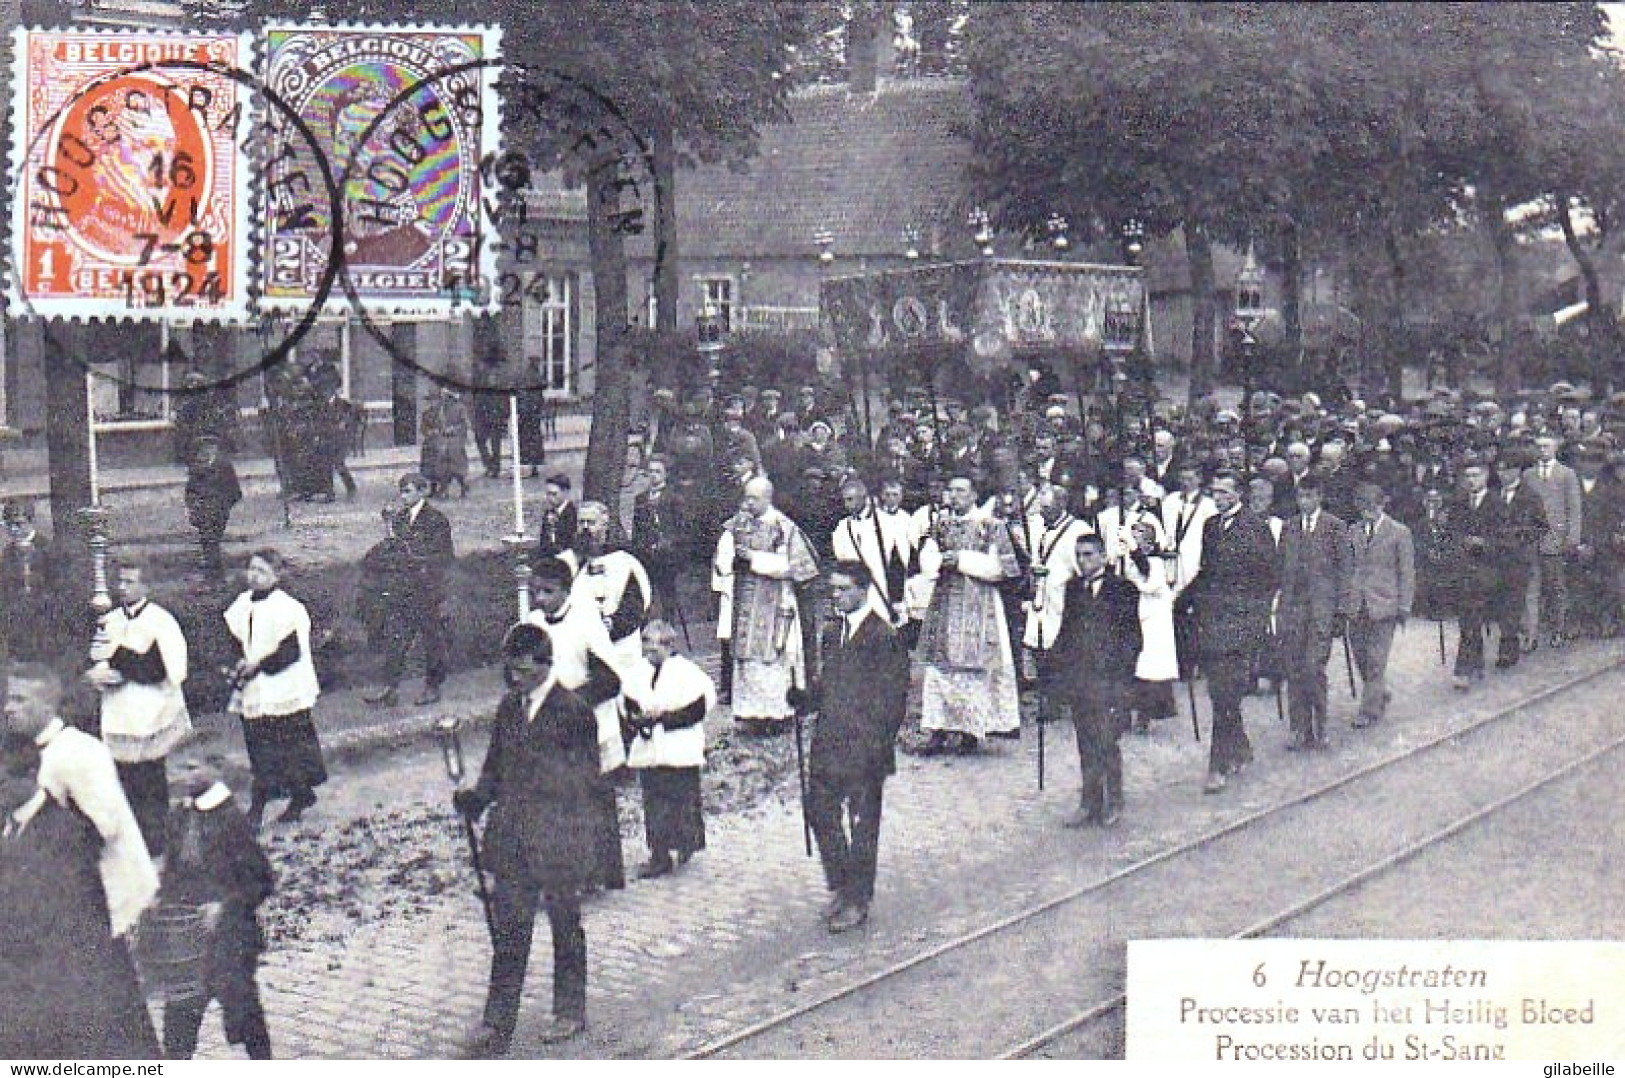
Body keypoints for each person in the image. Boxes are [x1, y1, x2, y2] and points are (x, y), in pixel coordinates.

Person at [455, 624, 599, 1055]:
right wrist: (476, 800)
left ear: (544, 664)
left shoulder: (573, 710)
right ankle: (497, 1022)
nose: (512, 675)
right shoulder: (508, 708)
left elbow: (587, 781)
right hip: (513, 838)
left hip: (557, 840)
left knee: (565, 925)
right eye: (509, 668)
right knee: (510, 930)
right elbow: (495, 765)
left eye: (520, 668)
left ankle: (569, 1010)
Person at [0, 728, 161, 1060]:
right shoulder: (11, 824)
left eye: (1, 784)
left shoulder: (64, 834)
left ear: (32, 775)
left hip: (61, 983)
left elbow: (70, 925)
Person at [790, 561, 909, 932]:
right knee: (820, 810)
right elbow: (829, 687)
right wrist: (804, 699)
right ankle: (841, 884)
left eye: (842, 589)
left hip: (864, 748)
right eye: (832, 589)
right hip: (828, 742)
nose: (835, 595)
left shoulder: (882, 636)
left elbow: (893, 701)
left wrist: (877, 745)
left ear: (863, 589)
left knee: (862, 824)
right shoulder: (833, 633)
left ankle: (859, 898)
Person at [7, 662, 157, 940]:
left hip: (108, 888)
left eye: (19, 699)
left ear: (46, 705)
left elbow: (104, 827)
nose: (8, 709)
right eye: (7, 699)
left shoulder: (79, 751)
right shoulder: (26, 751)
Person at [523, 556, 630, 892]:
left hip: (586, 722)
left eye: (547, 591)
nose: (539, 599)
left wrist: (569, 705)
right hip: (550, 726)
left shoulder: (586, 620)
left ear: (566, 591)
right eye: (534, 591)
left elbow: (610, 679)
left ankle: (603, 872)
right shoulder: (533, 623)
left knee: (593, 799)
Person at [157, 758, 275, 1060]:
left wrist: (225, 905)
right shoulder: (179, 816)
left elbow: (261, 880)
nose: (185, 775)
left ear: (215, 770)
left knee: (241, 1007)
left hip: (230, 933)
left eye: (193, 766)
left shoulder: (231, 819)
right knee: (180, 1014)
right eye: (180, 768)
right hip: (187, 935)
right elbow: (173, 868)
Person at [86, 561, 191, 857]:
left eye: (130, 582)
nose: (123, 588)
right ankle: (129, 837)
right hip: (119, 708)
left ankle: (156, 838)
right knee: (123, 776)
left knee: (150, 776)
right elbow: (98, 656)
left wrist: (119, 659)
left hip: (150, 707)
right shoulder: (111, 618)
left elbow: (160, 669)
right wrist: (97, 672)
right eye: (120, 581)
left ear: (146, 586)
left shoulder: (161, 621)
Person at [916, 474, 1022, 753]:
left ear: (975, 494)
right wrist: (938, 561)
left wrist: (961, 560)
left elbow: (1002, 568)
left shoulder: (991, 525)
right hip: (946, 598)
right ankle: (937, 729)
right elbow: (926, 556)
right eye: (950, 490)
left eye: (961, 490)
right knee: (939, 667)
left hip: (979, 599)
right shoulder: (940, 524)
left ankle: (970, 731)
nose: (954, 495)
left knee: (974, 667)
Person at [1187, 473, 1278, 792]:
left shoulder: (1255, 527)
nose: (1219, 496)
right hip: (1212, 620)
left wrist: (1256, 622)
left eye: (1225, 491)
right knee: (1220, 692)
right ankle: (1239, 746)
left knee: (1225, 692)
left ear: (1239, 494)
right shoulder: (1211, 526)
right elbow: (1205, 571)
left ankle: (1218, 764)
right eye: (1215, 491)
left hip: (1240, 624)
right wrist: (1184, 600)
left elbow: (1269, 579)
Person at [225, 550, 327, 828]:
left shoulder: (288, 608)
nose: (254, 576)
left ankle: (267, 802)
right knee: (259, 745)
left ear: (276, 576)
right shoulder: (241, 603)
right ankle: (292, 795)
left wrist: (258, 665)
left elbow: (290, 652)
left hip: (283, 685)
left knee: (288, 745)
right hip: (255, 685)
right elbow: (235, 638)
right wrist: (237, 663)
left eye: (262, 571)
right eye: (251, 569)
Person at [712, 477, 820, 736]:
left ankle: (776, 714)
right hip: (745, 598)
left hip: (775, 598)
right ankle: (750, 714)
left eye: (754, 498)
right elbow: (723, 557)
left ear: (767, 498)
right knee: (746, 657)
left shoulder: (784, 527)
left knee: (774, 657)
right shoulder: (736, 524)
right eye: (746, 497)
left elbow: (795, 567)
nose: (748, 503)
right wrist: (727, 558)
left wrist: (754, 558)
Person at [1049, 534, 1141, 828]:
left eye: (1089, 554)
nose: (1083, 561)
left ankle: (1114, 800)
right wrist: (1057, 669)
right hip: (1081, 678)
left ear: (1103, 556)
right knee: (1085, 741)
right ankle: (1090, 802)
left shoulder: (1122, 589)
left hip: (1109, 679)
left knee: (1107, 740)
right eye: (1079, 555)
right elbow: (1066, 631)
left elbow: (1132, 638)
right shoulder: (1074, 588)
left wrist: (1122, 677)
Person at [622, 620, 713, 879]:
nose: (647, 655)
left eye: (653, 650)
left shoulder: (687, 673)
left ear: (668, 645)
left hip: (678, 746)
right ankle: (659, 855)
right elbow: (629, 700)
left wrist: (664, 718)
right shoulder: (639, 671)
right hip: (651, 747)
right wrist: (638, 718)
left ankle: (686, 843)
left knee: (682, 800)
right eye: (645, 649)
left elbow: (697, 709)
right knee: (655, 802)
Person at [365, 474, 455, 707]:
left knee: (431, 640)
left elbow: (444, 556)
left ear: (423, 491)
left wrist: (417, 558)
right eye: (402, 491)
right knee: (396, 638)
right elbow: (393, 549)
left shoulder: (437, 520)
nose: (403, 496)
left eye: (408, 491)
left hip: (427, 589)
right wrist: (388, 528)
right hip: (403, 589)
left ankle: (433, 686)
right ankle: (390, 687)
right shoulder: (400, 518)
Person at [1277, 474, 1352, 751]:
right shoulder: (1289, 528)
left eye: (1309, 496)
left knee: (1313, 668)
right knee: (1294, 669)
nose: (1304, 502)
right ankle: (1299, 728)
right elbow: (1281, 570)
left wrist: (1341, 611)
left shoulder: (1335, 527)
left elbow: (1346, 571)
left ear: (1319, 497)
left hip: (1322, 610)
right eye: (1300, 497)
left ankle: (1320, 727)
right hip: (1294, 610)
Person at [1341, 483, 1415, 729]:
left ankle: (1369, 711)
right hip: (1356, 605)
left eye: (1371, 507)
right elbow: (1347, 567)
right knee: (1361, 656)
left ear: (1382, 504)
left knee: (1376, 659)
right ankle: (1378, 691)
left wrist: (1405, 605)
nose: (1366, 513)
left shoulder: (1399, 532)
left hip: (1385, 605)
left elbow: (1407, 572)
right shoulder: (1353, 531)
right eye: (1362, 508)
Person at [1488, 447, 1549, 667]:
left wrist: (1522, 536)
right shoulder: (1493, 495)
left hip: (1521, 557)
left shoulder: (1530, 496)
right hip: (1498, 557)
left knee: (1519, 600)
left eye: (1508, 470)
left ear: (1517, 472)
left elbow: (1542, 526)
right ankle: (1510, 643)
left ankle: (1517, 644)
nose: (1503, 475)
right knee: (1503, 602)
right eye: (1500, 470)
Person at [1523, 434, 1582, 649]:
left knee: (1556, 588)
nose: (1542, 450)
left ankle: (1558, 630)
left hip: (1556, 541)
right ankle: (1531, 635)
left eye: (1547, 446)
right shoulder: (1528, 475)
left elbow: (1574, 509)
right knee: (1532, 589)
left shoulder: (1567, 474)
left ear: (1555, 448)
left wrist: (1572, 538)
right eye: (1538, 446)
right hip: (1533, 541)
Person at [1122, 518, 1180, 733]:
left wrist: (1134, 553)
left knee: (1149, 670)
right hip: (1135, 616)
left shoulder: (1156, 562)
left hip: (1153, 619)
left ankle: (1145, 716)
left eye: (1138, 541)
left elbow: (1149, 581)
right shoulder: (1131, 561)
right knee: (1132, 667)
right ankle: (1126, 714)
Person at [631, 456, 684, 624]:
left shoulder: (675, 498)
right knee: (646, 592)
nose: (654, 475)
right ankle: (647, 628)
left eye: (658, 472)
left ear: (666, 474)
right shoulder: (640, 499)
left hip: (667, 554)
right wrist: (641, 546)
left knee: (667, 593)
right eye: (650, 472)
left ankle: (669, 626)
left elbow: (681, 528)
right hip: (647, 553)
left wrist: (668, 542)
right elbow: (637, 528)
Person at [185, 436, 243, 576]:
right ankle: (212, 564)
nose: (206, 451)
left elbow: (234, 489)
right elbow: (190, 489)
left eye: (210, 447)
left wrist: (225, 505)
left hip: (219, 507)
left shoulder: (224, 465)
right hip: (202, 507)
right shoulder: (196, 466)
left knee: (213, 536)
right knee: (207, 536)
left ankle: (213, 565)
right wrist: (192, 505)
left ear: (215, 449)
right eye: (203, 449)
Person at [420, 387, 471, 499]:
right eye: (430, 400)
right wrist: (429, 432)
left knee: (448, 459)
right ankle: (434, 488)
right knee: (430, 460)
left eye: (435, 400)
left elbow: (463, 425)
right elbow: (423, 428)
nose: (433, 403)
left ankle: (452, 487)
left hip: (451, 440)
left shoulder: (450, 410)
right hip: (432, 442)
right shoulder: (427, 413)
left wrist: (452, 430)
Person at [536, 473, 580, 566]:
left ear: (565, 492)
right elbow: (543, 541)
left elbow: (570, 541)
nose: (550, 498)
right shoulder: (548, 513)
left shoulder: (573, 514)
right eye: (548, 494)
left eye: (554, 494)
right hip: (548, 561)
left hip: (567, 561)